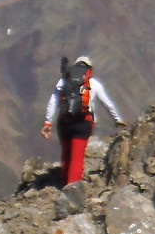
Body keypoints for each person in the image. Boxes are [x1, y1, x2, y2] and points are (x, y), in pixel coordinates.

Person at [42, 55, 127, 186]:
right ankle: (73, 187)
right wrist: (117, 119)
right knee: (77, 157)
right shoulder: (94, 84)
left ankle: (64, 180)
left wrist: (48, 122)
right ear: (89, 70)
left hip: (64, 123)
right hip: (83, 123)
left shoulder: (63, 81)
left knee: (66, 153)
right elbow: (107, 103)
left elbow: (53, 102)